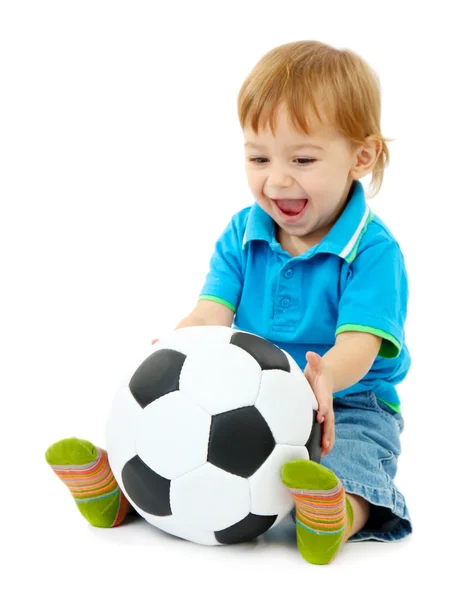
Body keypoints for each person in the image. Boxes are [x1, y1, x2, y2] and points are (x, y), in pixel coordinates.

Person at [45, 40, 412, 565]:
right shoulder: (243, 233)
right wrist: (182, 342)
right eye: (258, 157)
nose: (277, 178)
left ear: (362, 156)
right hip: (247, 391)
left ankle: (336, 511)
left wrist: (324, 378)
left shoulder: (375, 253)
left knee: (353, 460)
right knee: (183, 432)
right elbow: (211, 312)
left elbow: (360, 343)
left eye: (303, 159)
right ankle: (121, 489)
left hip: (346, 400)